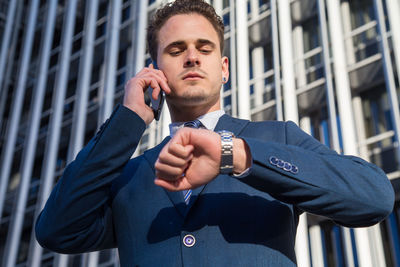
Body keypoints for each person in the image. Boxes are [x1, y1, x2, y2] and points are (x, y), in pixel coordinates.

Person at [35, 0, 394, 266]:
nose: (191, 57)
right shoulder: (130, 175)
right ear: (155, 70)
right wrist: (127, 120)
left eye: (204, 48)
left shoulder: (276, 138)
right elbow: (56, 230)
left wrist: (233, 155)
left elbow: (373, 197)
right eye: (176, 50)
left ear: (224, 69)